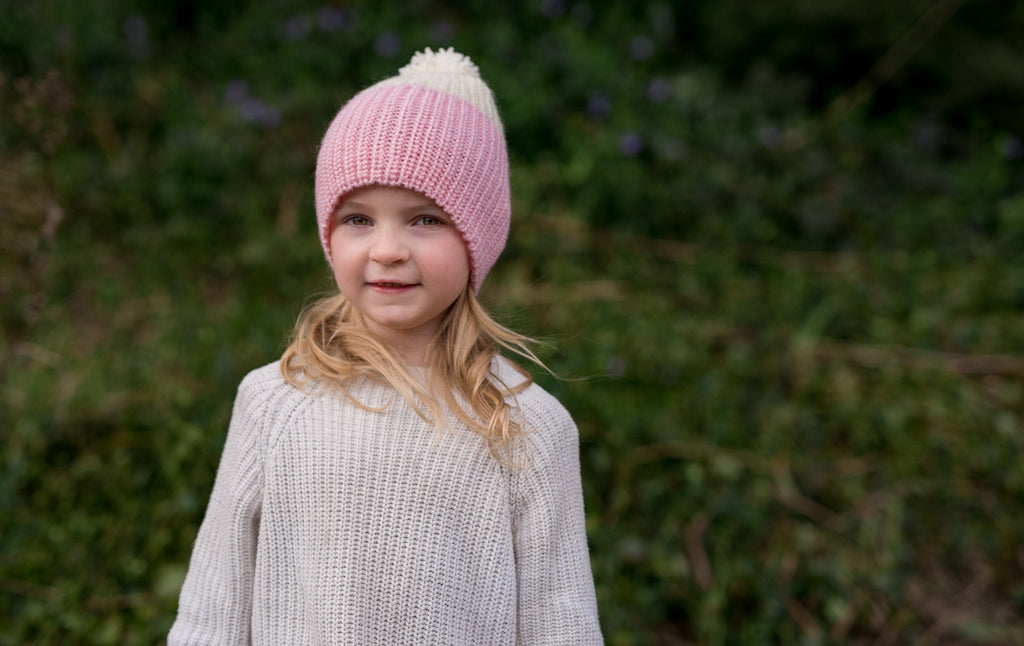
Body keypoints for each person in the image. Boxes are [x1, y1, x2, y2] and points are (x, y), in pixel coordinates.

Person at [168, 47, 603, 644]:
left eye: (425, 219)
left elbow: (562, 623)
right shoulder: (274, 402)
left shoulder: (528, 427)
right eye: (358, 219)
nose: (388, 250)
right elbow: (210, 613)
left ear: (477, 239)